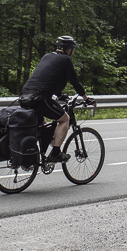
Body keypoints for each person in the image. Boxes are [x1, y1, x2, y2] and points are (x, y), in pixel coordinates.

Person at [19, 35, 91, 163]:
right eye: (72, 50)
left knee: (44, 126)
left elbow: (49, 78)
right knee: (64, 119)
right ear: (69, 50)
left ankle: (33, 155)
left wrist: (59, 96)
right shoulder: (65, 60)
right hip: (39, 97)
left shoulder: (47, 56)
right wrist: (86, 98)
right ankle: (56, 153)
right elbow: (75, 81)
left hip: (25, 96)